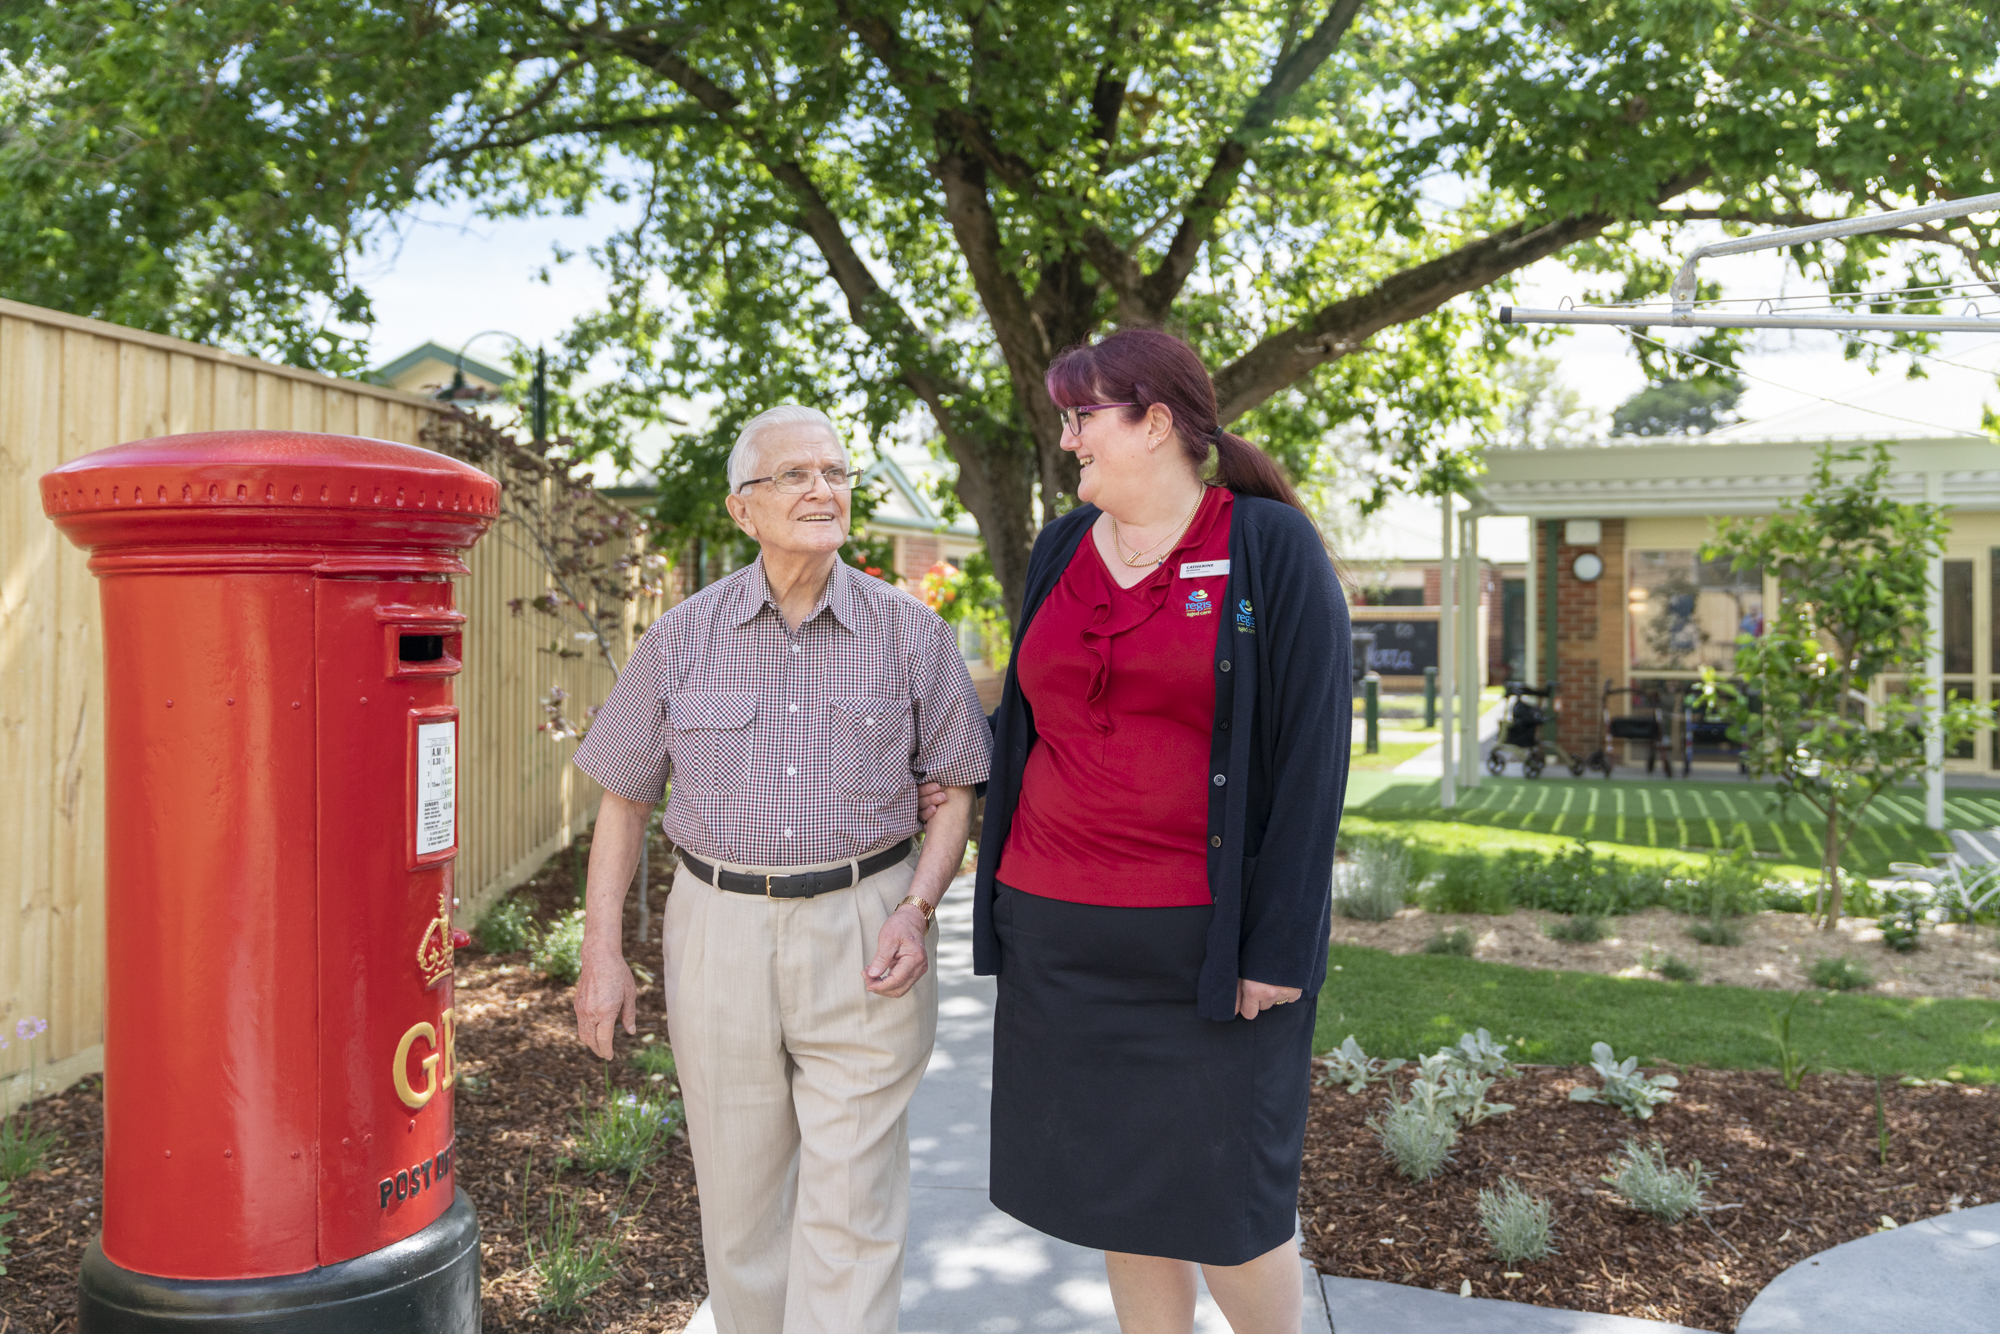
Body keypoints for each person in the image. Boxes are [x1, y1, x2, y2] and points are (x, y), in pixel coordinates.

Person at [569, 405, 992, 1334]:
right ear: (742, 509)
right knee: (743, 1206)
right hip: (717, 928)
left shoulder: (911, 633)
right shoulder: (682, 636)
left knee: (852, 1211)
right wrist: (603, 951)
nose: (822, 489)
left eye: (835, 473)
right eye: (794, 475)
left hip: (867, 921)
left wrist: (916, 909)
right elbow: (624, 797)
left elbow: (956, 786)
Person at [972, 329, 1349, 1333]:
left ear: (1155, 421)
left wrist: (1275, 943)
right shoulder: (1059, 547)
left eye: (1081, 417)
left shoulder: (1265, 546)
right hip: (1056, 938)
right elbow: (1028, 719)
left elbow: (1313, 759)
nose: (1066, 441)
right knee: (1120, 1197)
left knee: (1231, 1209)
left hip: (1204, 954)